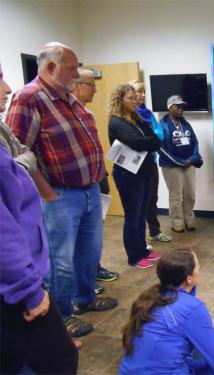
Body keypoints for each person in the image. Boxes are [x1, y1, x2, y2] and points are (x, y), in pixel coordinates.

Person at [6, 42, 118, 339]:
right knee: (60, 262)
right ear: (51, 67)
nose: (77, 73)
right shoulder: (29, 98)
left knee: (88, 253)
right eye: (72, 67)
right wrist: (48, 194)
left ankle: (85, 299)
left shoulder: (69, 98)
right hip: (60, 195)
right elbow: (19, 156)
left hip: (89, 191)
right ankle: (62, 317)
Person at [0, 65, 79, 374]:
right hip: (15, 287)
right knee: (58, 361)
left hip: (19, 279)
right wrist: (31, 292)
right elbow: (4, 232)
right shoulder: (30, 99)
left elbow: (24, 155)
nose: (7, 88)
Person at [120, 248, 214, 375]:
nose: (200, 270)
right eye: (198, 267)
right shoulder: (192, 308)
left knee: (198, 351)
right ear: (189, 278)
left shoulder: (150, 297)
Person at [72, 68, 120, 291]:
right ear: (75, 85)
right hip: (72, 190)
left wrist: (102, 174)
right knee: (77, 240)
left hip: (95, 181)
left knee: (93, 235)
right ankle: (80, 285)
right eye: (91, 84)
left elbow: (93, 149)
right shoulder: (63, 114)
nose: (95, 89)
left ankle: (94, 270)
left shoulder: (87, 114)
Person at [108, 83, 162, 269]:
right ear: (120, 100)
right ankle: (134, 255)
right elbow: (138, 142)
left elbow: (156, 140)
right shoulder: (116, 122)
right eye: (130, 98)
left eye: (135, 97)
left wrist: (149, 141)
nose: (135, 100)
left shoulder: (136, 119)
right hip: (128, 175)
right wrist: (149, 142)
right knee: (133, 215)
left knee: (142, 214)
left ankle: (143, 250)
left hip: (144, 172)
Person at [128, 79, 172, 243]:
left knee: (152, 198)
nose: (143, 95)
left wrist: (150, 139)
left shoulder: (148, 113)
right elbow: (135, 139)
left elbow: (159, 134)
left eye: (144, 91)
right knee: (139, 201)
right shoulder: (127, 115)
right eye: (139, 91)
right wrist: (149, 139)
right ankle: (139, 241)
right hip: (135, 163)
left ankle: (154, 231)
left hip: (151, 160)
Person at [159, 95, 203, 233]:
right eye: (177, 106)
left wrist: (193, 158)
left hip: (189, 164)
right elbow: (160, 148)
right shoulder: (163, 125)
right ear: (170, 107)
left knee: (190, 194)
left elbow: (195, 142)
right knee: (176, 196)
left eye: (182, 106)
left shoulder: (185, 123)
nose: (180, 109)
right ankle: (177, 222)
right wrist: (178, 162)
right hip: (172, 166)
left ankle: (189, 220)